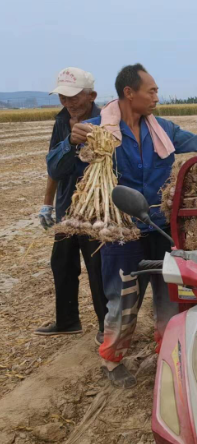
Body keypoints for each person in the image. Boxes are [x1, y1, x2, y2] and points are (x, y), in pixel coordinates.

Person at [47, 63, 197, 388]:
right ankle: (111, 361)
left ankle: (168, 352)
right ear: (130, 93)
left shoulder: (164, 129)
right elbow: (56, 167)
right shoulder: (97, 129)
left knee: (171, 297)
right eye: (151, 90)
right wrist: (71, 143)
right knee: (123, 300)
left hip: (161, 228)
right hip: (122, 231)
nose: (157, 96)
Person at [35, 68, 108, 346]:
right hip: (67, 205)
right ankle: (67, 321)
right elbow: (53, 165)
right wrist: (46, 204)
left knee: (97, 265)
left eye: (73, 97)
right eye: (62, 97)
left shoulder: (106, 121)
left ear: (91, 96)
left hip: (95, 208)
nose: (67, 103)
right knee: (62, 263)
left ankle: (105, 325)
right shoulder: (61, 121)